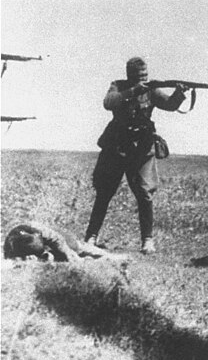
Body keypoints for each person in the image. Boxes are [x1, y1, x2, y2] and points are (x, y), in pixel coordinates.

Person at [83, 57, 189, 254]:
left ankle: (147, 240)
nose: (143, 79)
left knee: (144, 193)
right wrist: (132, 91)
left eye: (145, 76)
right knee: (104, 192)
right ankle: (91, 237)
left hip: (141, 147)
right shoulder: (118, 86)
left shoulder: (152, 90)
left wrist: (179, 93)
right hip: (116, 144)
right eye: (139, 76)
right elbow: (108, 102)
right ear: (129, 76)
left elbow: (170, 105)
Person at [5, 221, 120, 262]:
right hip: (33, 249)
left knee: (76, 247)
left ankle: (109, 256)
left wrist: (72, 257)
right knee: (55, 259)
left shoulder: (39, 230)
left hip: (57, 239)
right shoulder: (11, 246)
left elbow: (58, 240)